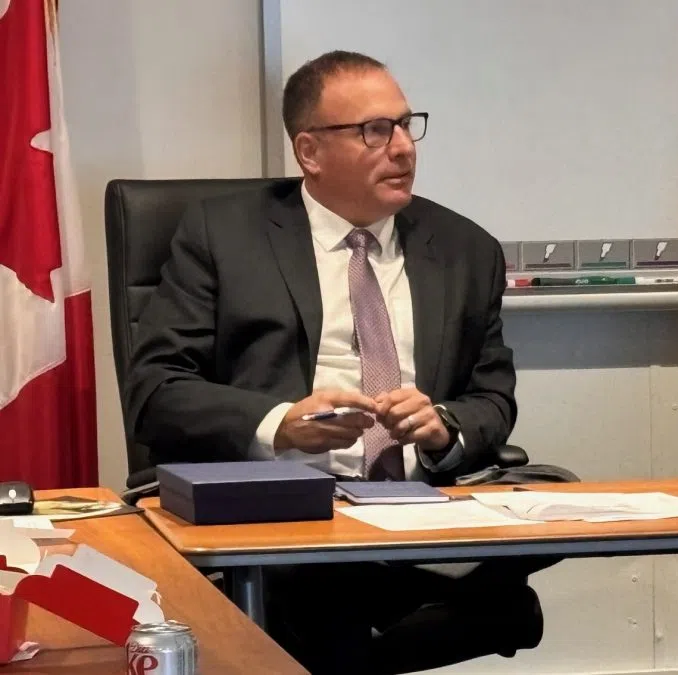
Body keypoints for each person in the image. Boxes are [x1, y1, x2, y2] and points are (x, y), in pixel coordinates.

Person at [125, 50, 544, 674]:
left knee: (550, 504)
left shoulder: (465, 249)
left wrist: (444, 427)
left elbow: (492, 398)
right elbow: (157, 390)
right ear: (310, 151)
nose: (403, 148)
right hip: (282, 515)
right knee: (329, 606)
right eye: (375, 130)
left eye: (406, 125)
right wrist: (281, 424)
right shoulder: (223, 235)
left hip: (418, 513)